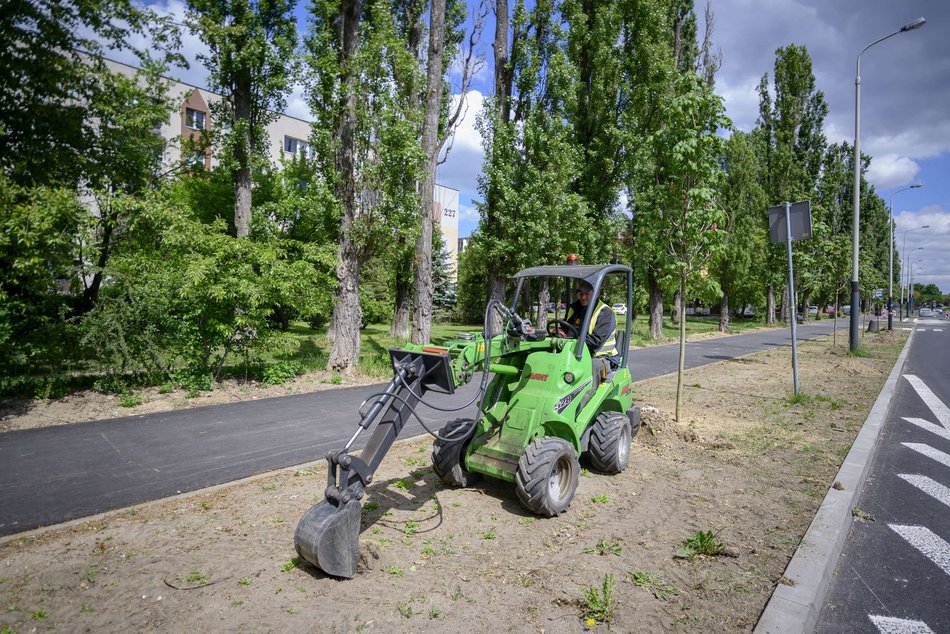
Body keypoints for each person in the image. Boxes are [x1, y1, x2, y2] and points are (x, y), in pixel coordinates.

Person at [565, 280, 619, 394]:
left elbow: (596, 340)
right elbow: (565, 328)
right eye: (581, 293)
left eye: (587, 294)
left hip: (601, 357)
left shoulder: (605, 313)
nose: (583, 297)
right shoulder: (574, 309)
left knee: (593, 367)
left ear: (597, 293)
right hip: (576, 352)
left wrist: (572, 342)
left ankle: (584, 404)